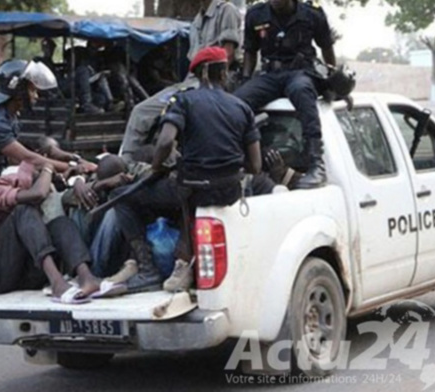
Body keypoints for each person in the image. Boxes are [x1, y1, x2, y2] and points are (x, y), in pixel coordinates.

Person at [113, 47, 265, 293]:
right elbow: (255, 165)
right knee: (190, 196)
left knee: (120, 198)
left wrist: (156, 167)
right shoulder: (242, 107)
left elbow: (164, 142)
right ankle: (184, 262)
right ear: (223, 73)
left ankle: (147, 268)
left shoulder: (183, 100)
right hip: (229, 191)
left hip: (191, 189)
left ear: (201, 74)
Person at [0, 59, 94, 304]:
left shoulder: (10, 119)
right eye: (32, 89)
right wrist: (72, 166)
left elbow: (33, 154)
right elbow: (27, 157)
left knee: (55, 220)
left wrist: (67, 160)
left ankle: (84, 276)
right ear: (16, 90)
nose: (36, 95)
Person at [119, 0, 242, 164]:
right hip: (191, 81)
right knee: (141, 112)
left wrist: (209, 84)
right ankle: (125, 165)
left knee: (173, 125)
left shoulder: (227, 10)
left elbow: (228, 55)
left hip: (212, 79)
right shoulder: (197, 20)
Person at [234, 0, 336, 189]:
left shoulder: (312, 14)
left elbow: (327, 47)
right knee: (236, 103)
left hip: (300, 72)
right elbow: (250, 50)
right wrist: (245, 79)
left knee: (302, 92)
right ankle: (237, 159)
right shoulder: (256, 14)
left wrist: (333, 77)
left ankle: (316, 164)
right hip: (270, 75)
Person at [0, 160, 102, 303]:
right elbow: (38, 193)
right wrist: (48, 167)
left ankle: (86, 277)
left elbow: (65, 194)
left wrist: (78, 179)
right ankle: (57, 283)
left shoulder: (45, 187)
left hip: (25, 273)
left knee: (60, 223)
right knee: (23, 211)